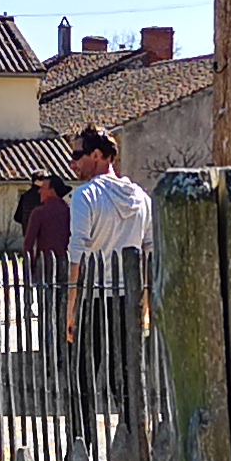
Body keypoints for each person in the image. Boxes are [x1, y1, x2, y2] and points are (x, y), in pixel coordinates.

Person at [63, 124, 152, 333]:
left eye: (77, 155)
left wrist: (71, 309)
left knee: (92, 365)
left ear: (96, 155)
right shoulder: (142, 198)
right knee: (130, 366)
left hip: (95, 301)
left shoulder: (85, 196)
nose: (73, 163)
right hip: (131, 300)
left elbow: (77, 253)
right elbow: (151, 254)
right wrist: (147, 307)